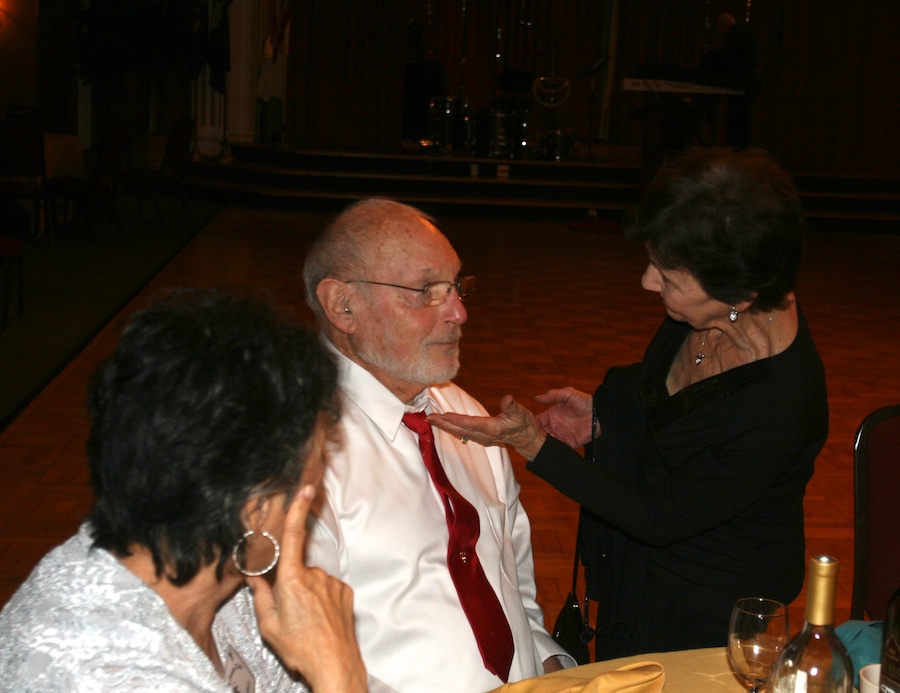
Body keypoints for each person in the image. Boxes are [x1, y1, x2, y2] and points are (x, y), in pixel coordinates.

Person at [430, 148, 828, 660]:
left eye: (668, 275)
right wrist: (606, 418)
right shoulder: (711, 311)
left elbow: (661, 517)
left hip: (706, 612)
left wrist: (534, 444)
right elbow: (678, 408)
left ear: (741, 293)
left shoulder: (779, 406)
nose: (646, 281)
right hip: (644, 573)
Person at [0, 289, 380, 692]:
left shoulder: (216, 579)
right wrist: (341, 677)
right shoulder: (103, 677)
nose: (320, 485)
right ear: (257, 510)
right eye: (317, 463)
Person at [302, 198, 573, 692]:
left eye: (456, 287)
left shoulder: (467, 417)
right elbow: (298, 661)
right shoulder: (296, 450)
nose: (459, 312)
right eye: (426, 290)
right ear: (343, 305)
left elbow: (512, 584)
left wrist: (545, 663)